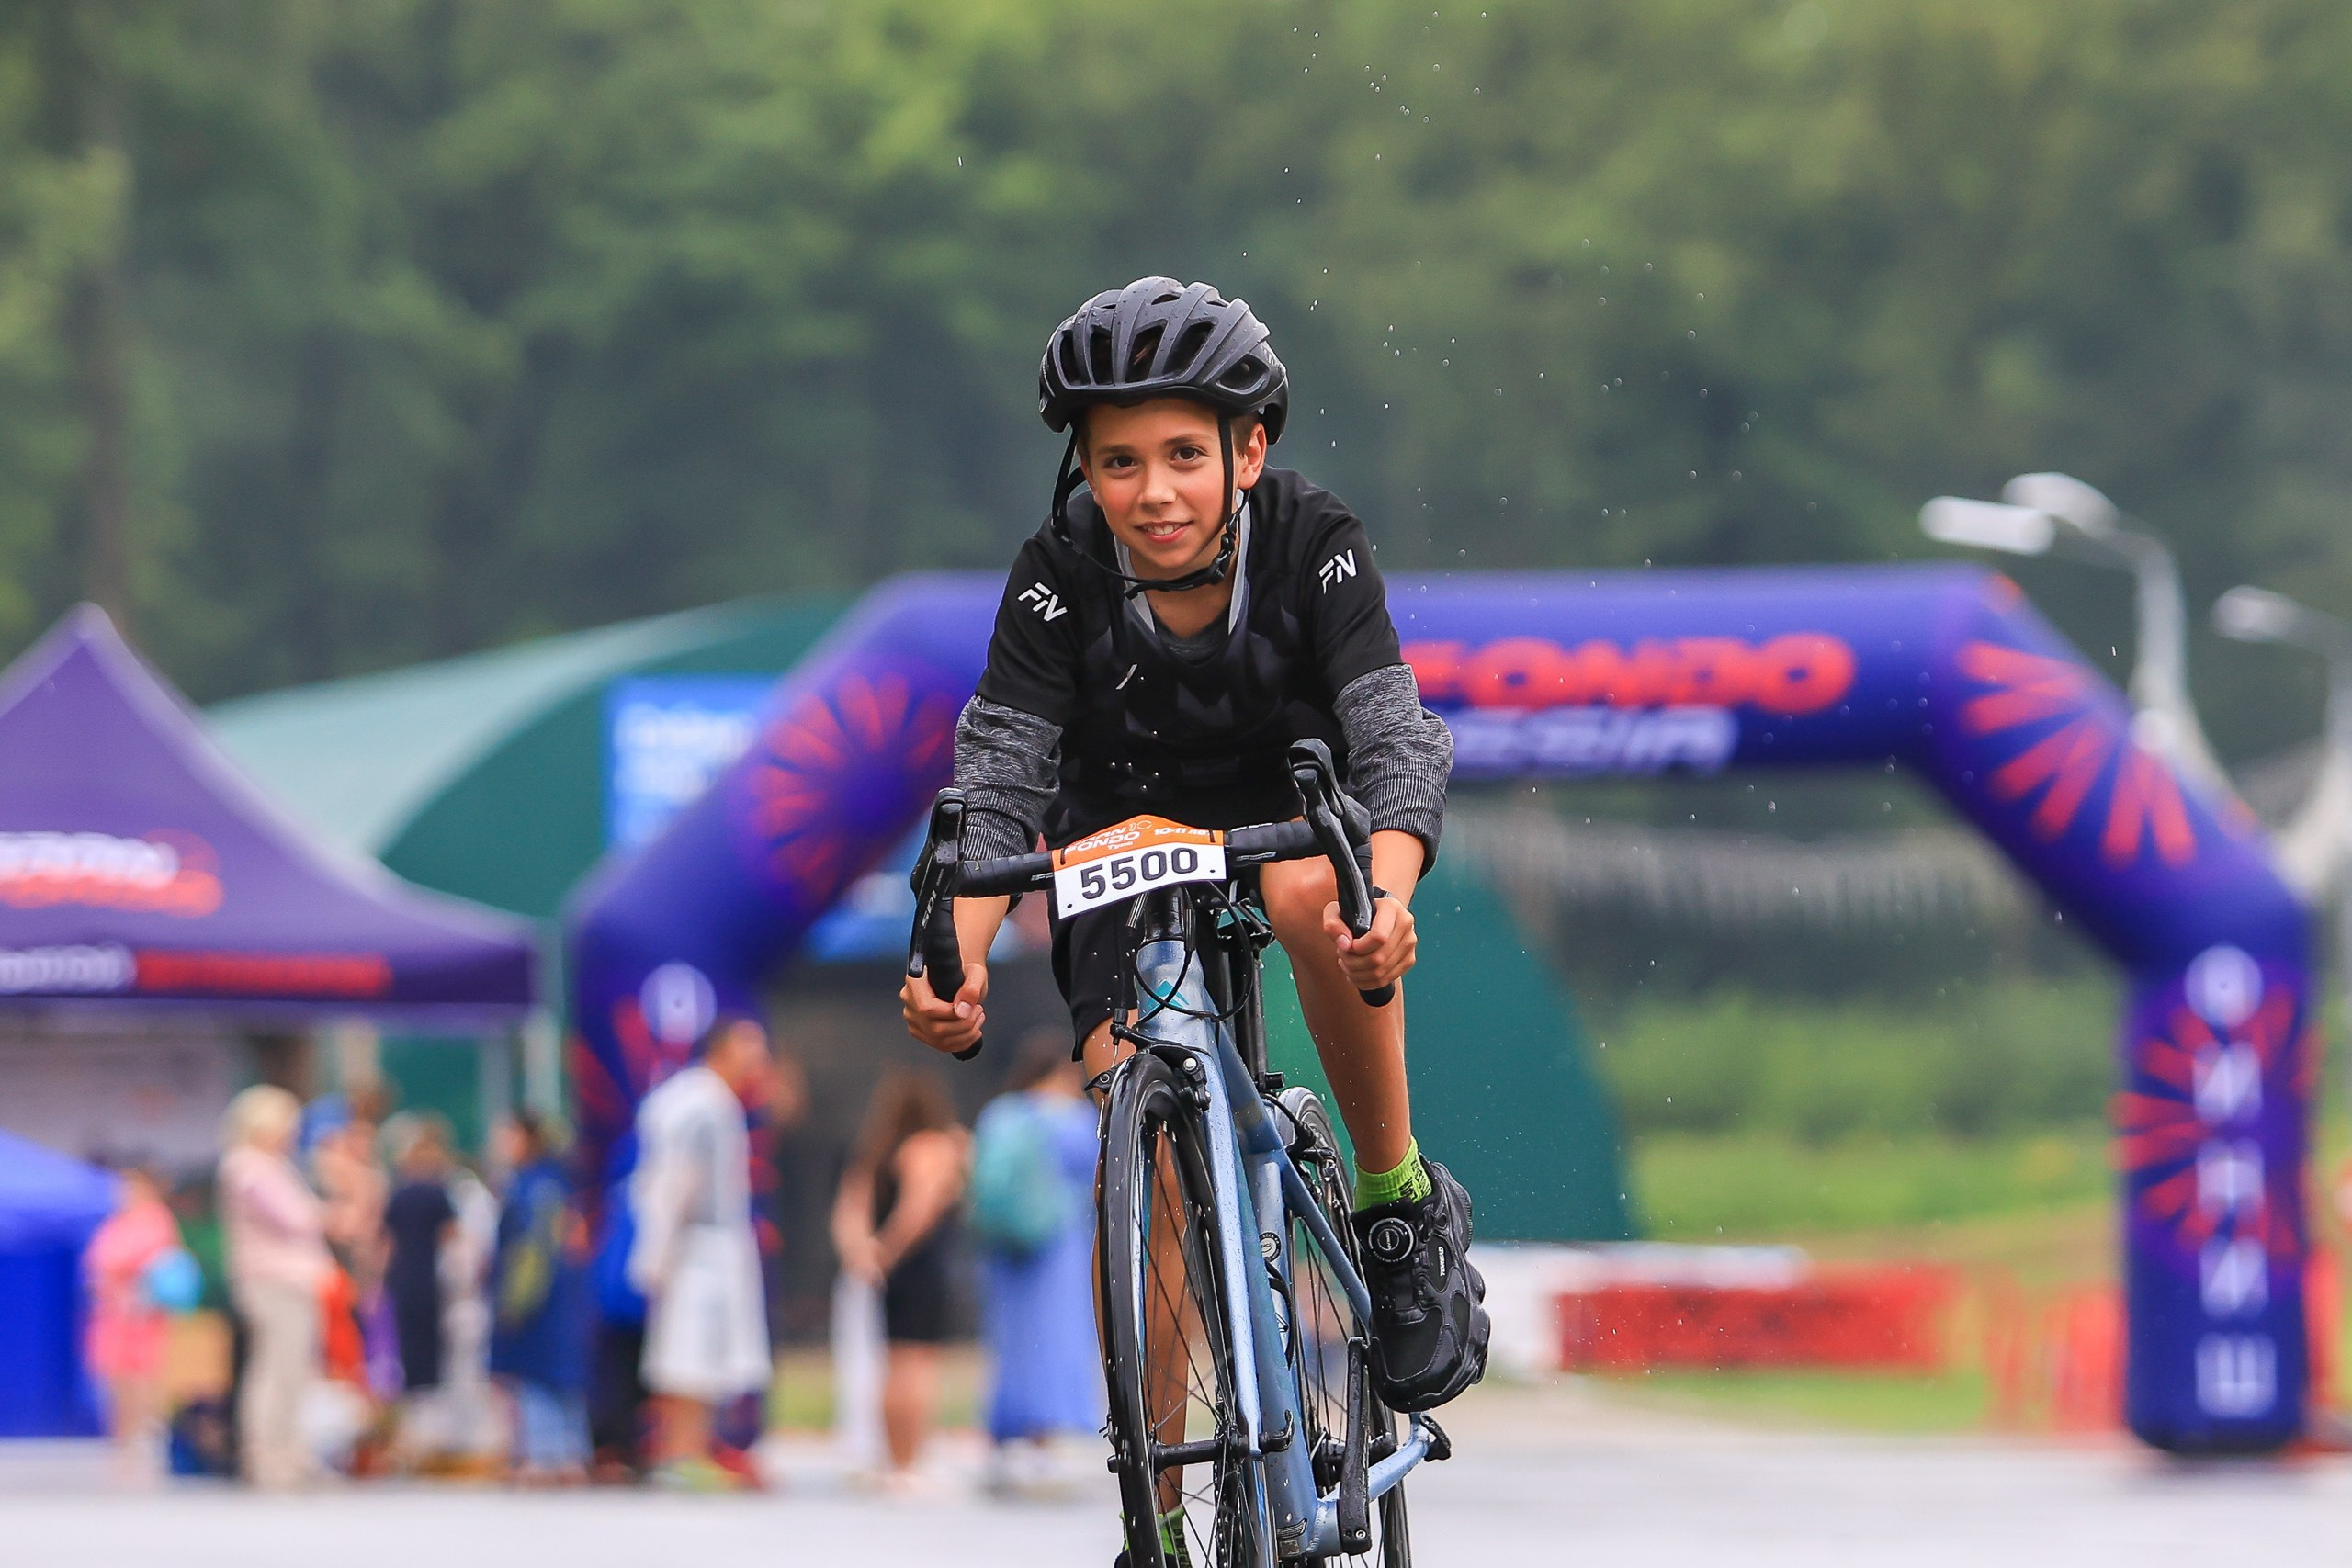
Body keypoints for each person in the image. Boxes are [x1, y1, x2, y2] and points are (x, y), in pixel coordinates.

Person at [899, 278, 1490, 1430]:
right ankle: (1159, 1500)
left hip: (1290, 797)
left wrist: (1391, 896)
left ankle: (1392, 1203)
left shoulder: (1317, 542)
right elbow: (1002, 779)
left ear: (1249, 449)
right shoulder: (1056, 570)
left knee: (1318, 888)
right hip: (1122, 822)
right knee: (1139, 1114)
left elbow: (1393, 737)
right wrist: (954, 960)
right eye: (1119, 462)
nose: (1153, 492)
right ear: (1083, 470)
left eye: (1182, 454)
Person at [628, 1012, 775, 1491]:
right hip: (695, 1247)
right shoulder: (700, 1105)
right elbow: (675, 1181)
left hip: (709, 1245)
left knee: (706, 1356)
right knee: (688, 1354)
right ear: (725, 1048)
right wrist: (657, 1253)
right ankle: (679, 1453)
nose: (758, 1061)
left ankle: (693, 1450)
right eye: (750, 1048)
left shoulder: (712, 1101)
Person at [969, 1038, 1102, 1497]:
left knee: (1010, 1342)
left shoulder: (1002, 1114)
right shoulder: (1076, 1120)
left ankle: (1005, 1438)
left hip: (1006, 1249)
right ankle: (1043, 1439)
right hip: (1058, 1245)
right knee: (1057, 1338)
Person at [830, 1067, 967, 1492]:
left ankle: (893, 1459)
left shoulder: (877, 1151)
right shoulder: (932, 1145)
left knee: (892, 1364)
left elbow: (848, 1210)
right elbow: (919, 1210)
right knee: (917, 1365)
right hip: (920, 1266)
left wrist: (863, 1255)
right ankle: (909, 1462)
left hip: (887, 1273)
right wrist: (889, 1251)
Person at [217, 1084, 332, 1489]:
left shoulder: (272, 1165)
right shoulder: (250, 1167)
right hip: (273, 1281)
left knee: (293, 1370)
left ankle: (290, 1451)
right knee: (276, 1369)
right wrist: (331, 1211)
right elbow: (296, 1217)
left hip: (291, 1280)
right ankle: (267, 1456)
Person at [490, 1111, 591, 1483]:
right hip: (560, 1298)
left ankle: (544, 1454)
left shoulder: (532, 1187)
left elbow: (532, 1251)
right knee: (562, 1377)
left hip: (538, 1299)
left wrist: (515, 1301)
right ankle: (571, 1452)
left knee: (536, 1376)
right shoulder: (554, 1182)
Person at [82, 1167, 190, 1482]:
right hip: (113, 1312)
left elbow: (152, 1263)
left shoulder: (157, 1219)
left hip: (143, 1313)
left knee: (142, 1376)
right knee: (116, 1379)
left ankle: (147, 1436)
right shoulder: (116, 1222)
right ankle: (122, 1440)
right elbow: (98, 1262)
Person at [381, 1112, 458, 1462]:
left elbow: (384, 1243)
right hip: (430, 1281)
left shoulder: (399, 1195)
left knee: (408, 1353)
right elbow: (452, 1238)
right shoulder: (439, 1194)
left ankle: (413, 1429)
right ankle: (431, 1433)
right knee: (433, 1355)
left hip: (402, 1281)